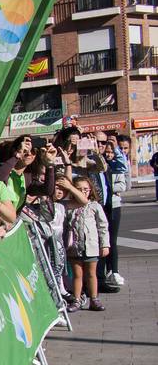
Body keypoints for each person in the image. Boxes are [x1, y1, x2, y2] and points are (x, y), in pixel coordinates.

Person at [64, 174, 110, 312]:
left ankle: (94, 299)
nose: (83, 192)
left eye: (86, 189)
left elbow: (103, 226)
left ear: (90, 190)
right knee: (77, 274)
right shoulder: (69, 206)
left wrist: (105, 244)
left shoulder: (94, 206)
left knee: (91, 273)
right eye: (79, 189)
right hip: (74, 246)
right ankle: (77, 299)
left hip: (91, 245)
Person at [100, 132, 129, 292]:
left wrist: (117, 149)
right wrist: (111, 189)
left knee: (112, 239)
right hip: (104, 205)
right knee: (103, 241)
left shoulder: (114, 166)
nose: (109, 154)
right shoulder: (99, 165)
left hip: (115, 206)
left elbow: (122, 185)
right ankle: (104, 273)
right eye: (108, 152)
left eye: (111, 152)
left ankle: (114, 271)